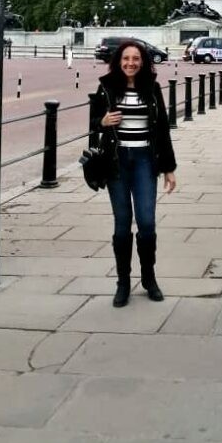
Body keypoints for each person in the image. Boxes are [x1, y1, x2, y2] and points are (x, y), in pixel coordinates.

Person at [89, 39, 177, 307]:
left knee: (147, 223)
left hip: (144, 161)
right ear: (118, 61)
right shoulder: (105, 87)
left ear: (143, 62)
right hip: (117, 161)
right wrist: (103, 121)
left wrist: (169, 168)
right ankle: (123, 283)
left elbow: (162, 127)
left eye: (136, 59)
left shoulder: (152, 87)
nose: (131, 63)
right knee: (122, 223)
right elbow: (93, 124)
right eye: (126, 59)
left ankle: (149, 278)